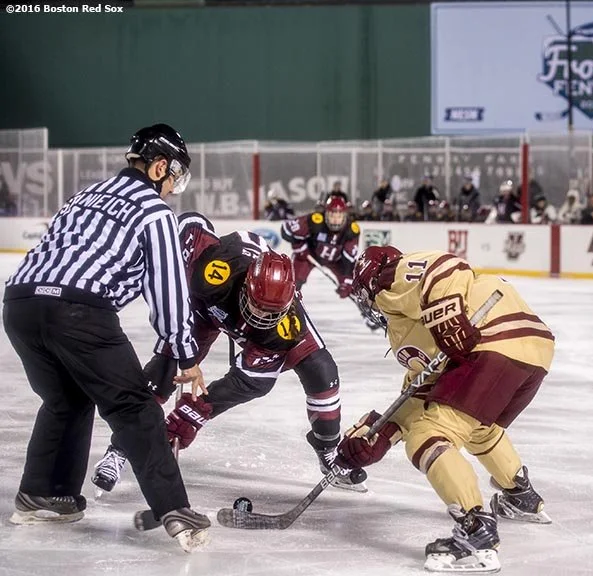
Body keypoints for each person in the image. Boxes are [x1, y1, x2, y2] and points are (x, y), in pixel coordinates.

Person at [2, 124, 209, 551]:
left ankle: (43, 493)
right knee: (133, 406)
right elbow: (167, 292)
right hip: (78, 311)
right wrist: (187, 355)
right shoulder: (155, 213)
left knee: (66, 399)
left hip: (20, 303)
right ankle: (174, 509)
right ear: (157, 168)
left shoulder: (83, 196)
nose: (174, 188)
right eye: (175, 177)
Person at [92, 214, 366, 494]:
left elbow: (250, 381)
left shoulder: (285, 327)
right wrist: (179, 306)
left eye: (271, 312)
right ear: (246, 285)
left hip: (256, 329)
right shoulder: (215, 270)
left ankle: (328, 450)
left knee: (322, 371)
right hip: (207, 308)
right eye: (258, 306)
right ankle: (120, 447)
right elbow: (192, 224)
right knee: (165, 369)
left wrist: (195, 413)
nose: (261, 317)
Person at [337, 246, 555, 573]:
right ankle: (519, 494)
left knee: (430, 435)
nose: (367, 305)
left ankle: (475, 530)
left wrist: (445, 311)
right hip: (533, 352)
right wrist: (380, 434)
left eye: (364, 295)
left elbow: (444, 265)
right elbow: (421, 391)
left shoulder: (391, 276)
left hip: (493, 339)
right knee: (476, 428)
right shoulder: (404, 325)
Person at [281, 195, 378, 330]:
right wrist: (299, 245)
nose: (335, 219)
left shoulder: (351, 230)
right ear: (326, 213)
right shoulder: (314, 221)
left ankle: (370, 313)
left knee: (356, 285)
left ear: (345, 216)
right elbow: (286, 230)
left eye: (339, 215)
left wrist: (347, 282)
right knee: (293, 282)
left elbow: (349, 261)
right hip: (309, 255)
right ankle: (283, 312)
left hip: (336, 261)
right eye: (332, 214)